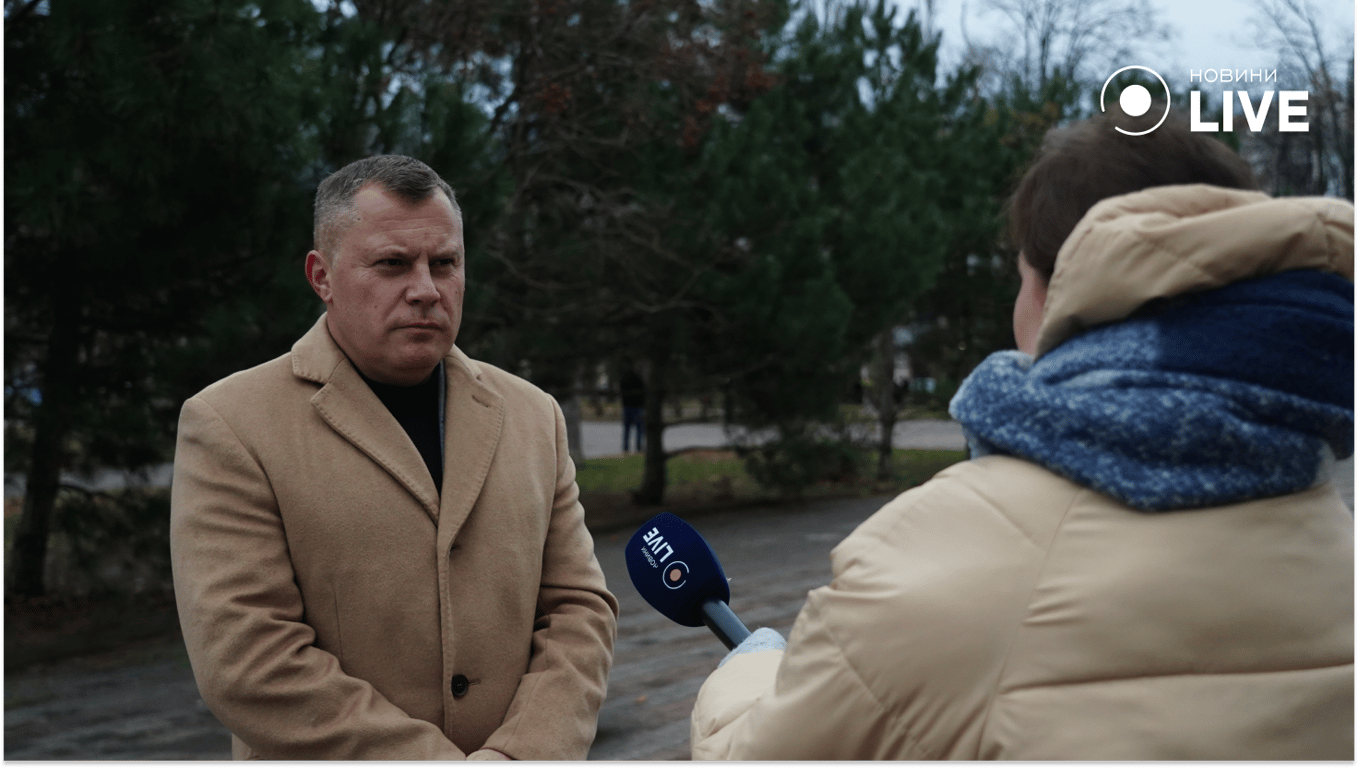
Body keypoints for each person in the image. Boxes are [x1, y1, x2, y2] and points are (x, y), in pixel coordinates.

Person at [689, 107, 1355, 761]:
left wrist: (751, 671)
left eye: (1018, 278)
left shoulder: (941, 559)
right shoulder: (1332, 535)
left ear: (1050, 291)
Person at [170, 155, 619, 761]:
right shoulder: (230, 424)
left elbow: (579, 610)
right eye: (392, 264)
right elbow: (248, 664)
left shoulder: (534, 415)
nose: (426, 289)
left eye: (445, 263)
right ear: (322, 276)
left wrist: (523, 753)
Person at [620, 363, 646, 453]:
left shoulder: (625, 379)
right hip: (636, 407)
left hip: (629, 407)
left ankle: (626, 447)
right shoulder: (638, 379)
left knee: (628, 429)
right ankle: (637, 447)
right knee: (638, 429)